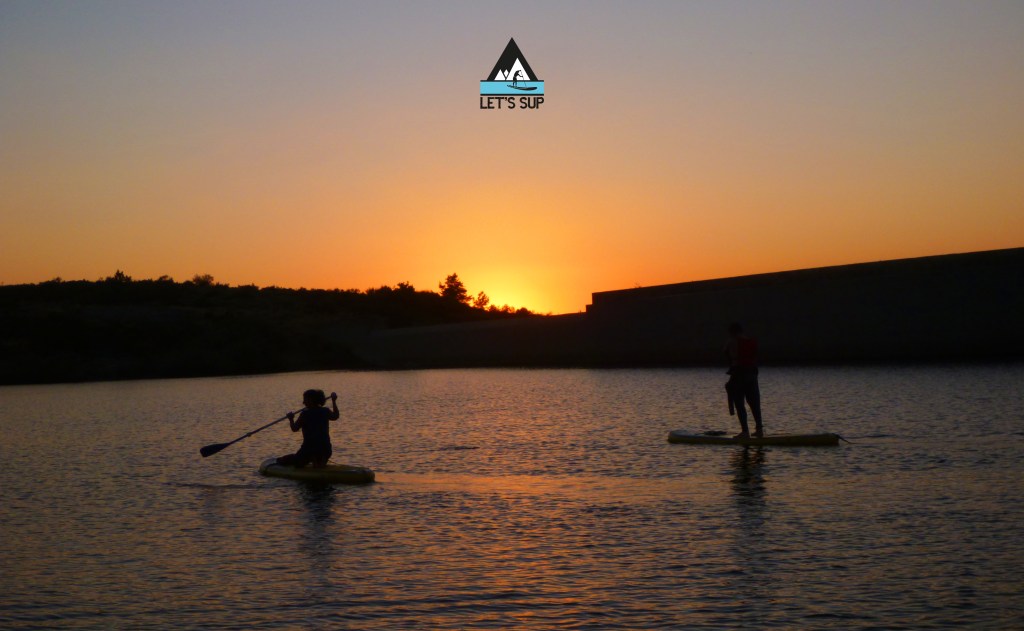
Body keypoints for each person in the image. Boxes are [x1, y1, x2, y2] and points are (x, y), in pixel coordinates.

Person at [276, 389, 339, 468]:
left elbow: (294, 428)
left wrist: (291, 419)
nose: (303, 402)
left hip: (309, 450)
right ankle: (318, 460)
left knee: (295, 463)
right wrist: (334, 401)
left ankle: (313, 459)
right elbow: (335, 416)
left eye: (305, 400)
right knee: (319, 452)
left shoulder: (305, 414)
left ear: (311, 400)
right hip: (326, 449)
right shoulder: (325, 411)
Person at [724, 322, 764, 438]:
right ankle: (759, 429)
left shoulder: (732, 341)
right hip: (752, 374)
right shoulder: (751, 341)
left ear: (732, 332)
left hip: (739, 374)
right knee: (754, 403)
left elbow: (725, 352)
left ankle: (745, 432)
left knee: (739, 403)